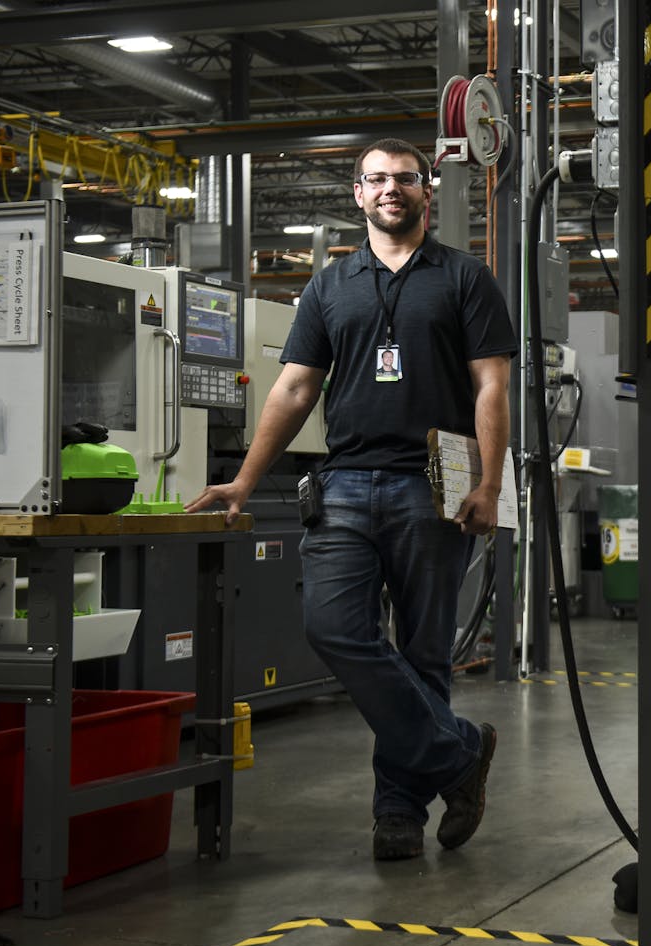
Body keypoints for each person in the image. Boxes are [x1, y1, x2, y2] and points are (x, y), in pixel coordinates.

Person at [186, 137, 515, 861]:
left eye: (404, 178)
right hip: (343, 484)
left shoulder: (464, 278)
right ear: (356, 193)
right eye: (376, 179)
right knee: (332, 626)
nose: (391, 189)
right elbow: (296, 387)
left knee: (425, 653)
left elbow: (492, 382)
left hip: (437, 484)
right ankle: (460, 754)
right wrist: (243, 478)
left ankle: (397, 811)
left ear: (426, 189)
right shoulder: (329, 287)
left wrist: (490, 483)